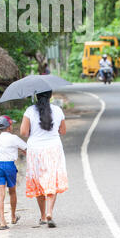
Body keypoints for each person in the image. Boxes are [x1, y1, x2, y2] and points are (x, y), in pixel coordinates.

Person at [20, 90, 68, 228]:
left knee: (39, 181)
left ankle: (42, 216)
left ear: (36, 96)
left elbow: (23, 132)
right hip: (53, 148)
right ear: (51, 96)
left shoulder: (29, 111)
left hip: (35, 150)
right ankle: (49, 212)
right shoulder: (58, 110)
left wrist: (33, 131)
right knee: (51, 180)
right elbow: (63, 131)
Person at [0, 115, 27, 230]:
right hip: (9, 166)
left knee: (0, 195)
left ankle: (2, 222)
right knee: (12, 192)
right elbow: (26, 148)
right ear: (9, 127)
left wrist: (17, 149)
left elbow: (7, 148)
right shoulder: (14, 138)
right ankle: (13, 217)